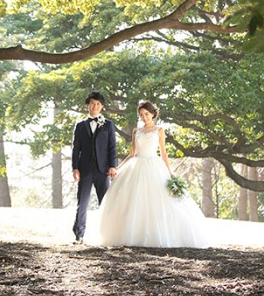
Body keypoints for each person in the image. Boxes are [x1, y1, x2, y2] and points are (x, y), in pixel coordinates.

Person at [93, 100, 209, 248]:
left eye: (146, 114)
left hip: (154, 166)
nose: (144, 117)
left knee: (159, 200)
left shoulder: (159, 130)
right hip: (137, 166)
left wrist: (170, 172)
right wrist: (118, 168)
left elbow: (164, 154)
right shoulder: (136, 131)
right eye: (141, 115)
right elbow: (132, 154)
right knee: (132, 200)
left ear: (153, 114)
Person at [71, 91, 117, 243]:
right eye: (92, 103)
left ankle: (108, 235)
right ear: (87, 105)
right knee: (82, 202)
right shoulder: (79, 126)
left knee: (104, 202)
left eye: (98, 104)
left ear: (102, 106)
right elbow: (75, 148)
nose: (95, 106)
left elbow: (112, 147)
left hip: (103, 170)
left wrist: (112, 166)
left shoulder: (108, 125)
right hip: (84, 169)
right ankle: (79, 235)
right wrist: (75, 168)